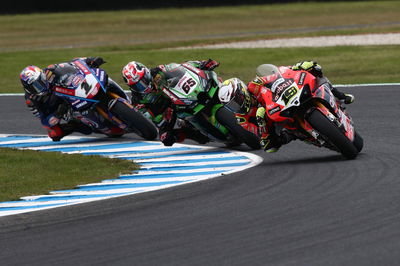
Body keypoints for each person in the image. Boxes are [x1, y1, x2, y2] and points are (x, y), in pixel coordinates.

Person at [218, 61, 355, 153]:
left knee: (313, 70)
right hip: (278, 125)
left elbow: (276, 75)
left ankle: (340, 95)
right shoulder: (243, 118)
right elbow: (261, 138)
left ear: (242, 91)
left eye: (237, 99)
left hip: (285, 103)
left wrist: (295, 67)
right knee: (271, 146)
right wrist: (262, 125)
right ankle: (300, 134)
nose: (237, 105)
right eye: (232, 105)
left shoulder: (254, 85)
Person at [122, 59, 219, 146]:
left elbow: (182, 67)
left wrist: (201, 64)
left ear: (147, 72)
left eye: (143, 80)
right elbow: (154, 117)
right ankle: (199, 134)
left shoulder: (159, 71)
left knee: (211, 76)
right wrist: (164, 123)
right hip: (170, 110)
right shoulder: (137, 101)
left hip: (186, 95)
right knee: (166, 138)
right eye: (137, 85)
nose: (143, 85)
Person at [19, 57, 106, 141]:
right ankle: (95, 126)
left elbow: (74, 64)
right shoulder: (31, 100)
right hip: (61, 109)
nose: (40, 87)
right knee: (54, 134)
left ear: (42, 75)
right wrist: (57, 114)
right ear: (28, 89)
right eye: (35, 87)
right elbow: (45, 122)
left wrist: (90, 60)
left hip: (73, 93)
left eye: (40, 81)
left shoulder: (50, 70)